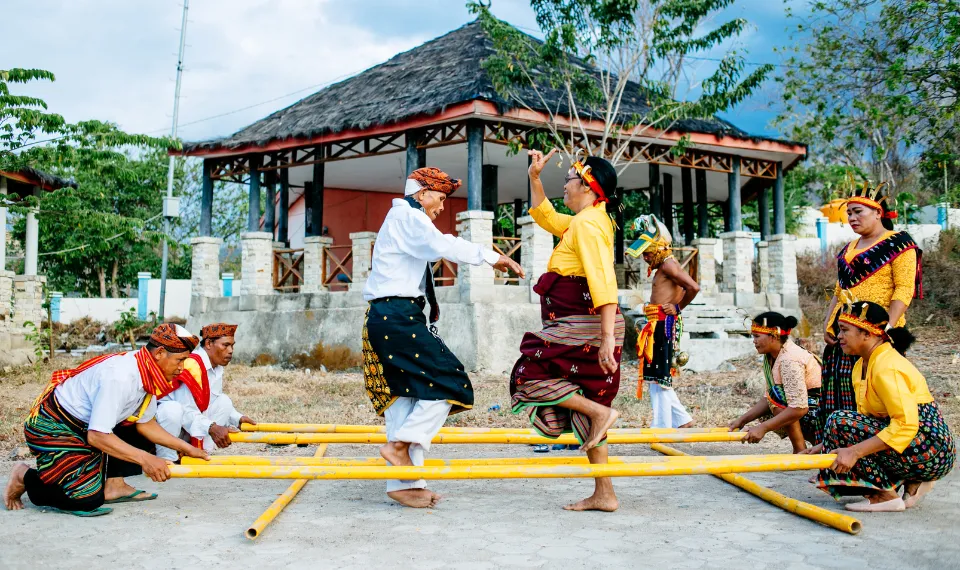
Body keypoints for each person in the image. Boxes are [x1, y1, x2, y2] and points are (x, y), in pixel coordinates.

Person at [362, 166, 524, 508]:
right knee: (450, 381)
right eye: (440, 198)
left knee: (407, 397)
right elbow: (442, 245)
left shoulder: (402, 218)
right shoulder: (408, 216)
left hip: (391, 316)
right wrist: (491, 257)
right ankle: (400, 447)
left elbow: (431, 250)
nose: (442, 207)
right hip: (395, 318)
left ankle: (406, 484)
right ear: (422, 194)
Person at [510, 149, 625, 512]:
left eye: (568, 182)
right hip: (584, 322)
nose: (565, 188)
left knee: (527, 375)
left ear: (588, 188)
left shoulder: (588, 224)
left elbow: (604, 281)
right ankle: (604, 493)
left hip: (587, 322)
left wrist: (606, 337)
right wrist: (534, 177)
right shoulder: (584, 221)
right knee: (591, 405)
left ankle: (599, 415)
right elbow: (546, 217)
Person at [5, 324, 210, 516]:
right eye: (180, 360)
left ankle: (114, 485)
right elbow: (97, 436)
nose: (182, 368)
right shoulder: (120, 377)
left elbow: (145, 424)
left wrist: (186, 447)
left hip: (87, 428)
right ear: (159, 353)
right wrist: (146, 459)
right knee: (86, 500)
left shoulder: (147, 372)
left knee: (133, 430)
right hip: (54, 424)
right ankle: (25, 476)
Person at [804, 301, 954, 512]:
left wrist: (854, 452)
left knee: (839, 421)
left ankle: (885, 495)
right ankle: (903, 482)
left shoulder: (887, 366)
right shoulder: (861, 365)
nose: (838, 336)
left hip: (931, 448)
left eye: (845, 330)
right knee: (838, 424)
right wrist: (825, 444)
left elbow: (905, 425)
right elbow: (865, 419)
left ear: (868, 334)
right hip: (913, 441)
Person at [820, 178, 922, 435]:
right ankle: (836, 459)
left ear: (878, 212)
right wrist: (828, 324)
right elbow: (839, 291)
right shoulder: (847, 249)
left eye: (858, 212)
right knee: (839, 394)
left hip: (876, 334)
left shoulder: (899, 243)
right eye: (849, 213)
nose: (852, 218)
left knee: (876, 397)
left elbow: (903, 289)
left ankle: (874, 459)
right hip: (844, 333)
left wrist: (886, 327)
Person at [627, 215, 700, 429]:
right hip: (656, 324)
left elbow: (693, 287)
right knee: (656, 376)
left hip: (664, 325)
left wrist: (677, 307)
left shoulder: (668, 265)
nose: (645, 258)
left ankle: (662, 427)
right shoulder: (664, 266)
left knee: (659, 377)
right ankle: (682, 420)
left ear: (659, 249)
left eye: (648, 253)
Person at [155, 323, 256, 462]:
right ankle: (167, 459)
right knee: (173, 410)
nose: (231, 350)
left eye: (232, 346)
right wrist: (212, 427)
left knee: (224, 401)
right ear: (208, 343)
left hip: (188, 426)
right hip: (166, 425)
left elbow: (212, 402)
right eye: (225, 345)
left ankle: (201, 452)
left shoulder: (216, 368)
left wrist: (237, 418)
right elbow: (186, 411)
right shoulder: (191, 365)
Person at [728, 312, 821, 453]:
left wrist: (762, 428)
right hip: (807, 405)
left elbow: (799, 408)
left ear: (774, 336)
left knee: (778, 397)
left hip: (820, 409)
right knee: (775, 398)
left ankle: (800, 449)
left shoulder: (789, 360)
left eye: (757, 336)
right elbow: (768, 399)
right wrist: (742, 420)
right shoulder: (773, 356)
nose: (754, 341)